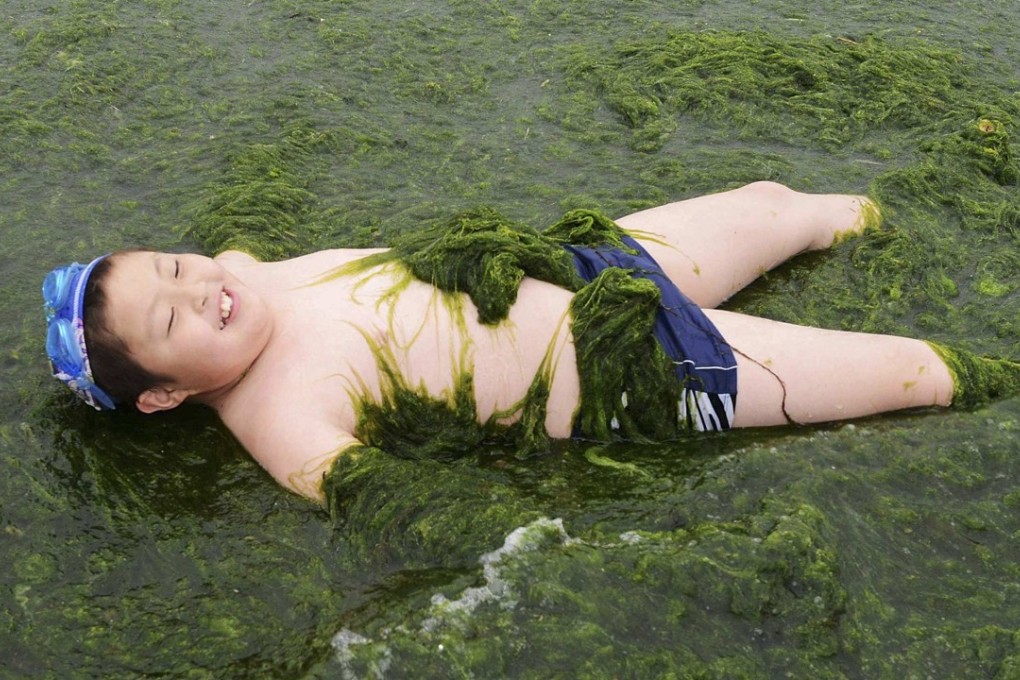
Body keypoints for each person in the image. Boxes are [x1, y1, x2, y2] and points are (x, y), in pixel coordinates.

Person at [41, 182, 1020, 503]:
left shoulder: (242, 274)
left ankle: (950, 203)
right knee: (909, 370)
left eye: (174, 264)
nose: (198, 287)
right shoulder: (277, 416)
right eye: (169, 319)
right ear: (164, 396)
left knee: (778, 208)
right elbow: (381, 496)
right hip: (630, 373)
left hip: (579, 265)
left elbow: (229, 244)